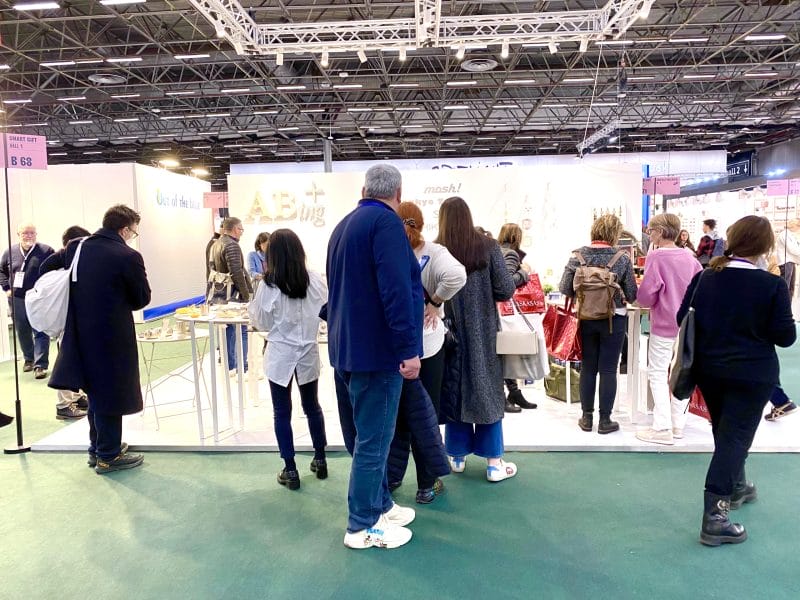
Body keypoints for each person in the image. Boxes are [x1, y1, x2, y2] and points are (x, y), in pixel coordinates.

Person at [677, 215, 796, 546]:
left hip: (709, 371)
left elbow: (682, 318)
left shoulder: (705, 277)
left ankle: (738, 486)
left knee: (726, 432)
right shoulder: (771, 284)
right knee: (734, 438)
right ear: (765, 246)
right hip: (752, 374)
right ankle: (715, 517)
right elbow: (786, 336)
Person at [327, 164, 422, 550]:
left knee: (369, 437)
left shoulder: (343, 226)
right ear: (398, 194)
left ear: (365, 189)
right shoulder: (386, 225)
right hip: (377, 353)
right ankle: (362, 525)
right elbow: (396, 291)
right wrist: (408, 349)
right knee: (374, 441)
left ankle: (380, 505)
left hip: (348, 349)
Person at [49, 205, 151, 473]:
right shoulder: (128, 256)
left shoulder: (77, 247)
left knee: (94, 390)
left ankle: (98, 448)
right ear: (124, 229)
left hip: (79, 332)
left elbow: (47, 267)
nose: (132, 237)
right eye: (133, 232)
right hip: (112, 334)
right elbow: (141, 299)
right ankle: (108, 455)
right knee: (110, 392)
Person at [387, 201, 466, 504]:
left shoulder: (386, 251)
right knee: (425, 415)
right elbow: (457, 275)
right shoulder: (433, 252)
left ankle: (392, 477)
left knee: (393, 415)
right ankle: (426, 485)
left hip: (394, 348)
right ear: (421, 224)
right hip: (427, 346)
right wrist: (435, 302)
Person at [437, 197, 517, 482]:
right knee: (487, 390)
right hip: (483, 333)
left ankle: (456, 456)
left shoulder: (437, 250)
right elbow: (505, 289)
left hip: (448, 334)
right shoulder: (488, 247)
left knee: (455, 387)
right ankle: (494, 463)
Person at [248, 229, 328, 491]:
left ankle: (290, 469)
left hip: (280, 354)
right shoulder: (314, 280)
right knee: (312, 407)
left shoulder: (268, 285)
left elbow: (261, 321)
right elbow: (326, 309)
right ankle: (320, 459)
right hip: (308, 352)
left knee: (282, 412)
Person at [559, 214, 637, 434]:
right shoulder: (621, 258)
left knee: (588, 368)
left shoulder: (577, 256)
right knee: (609, 369)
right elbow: (631, 294)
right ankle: (605, 420)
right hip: (614, 319)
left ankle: (586, 418)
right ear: (615, 233)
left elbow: (564, 288)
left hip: (585, 318)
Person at [634, 214, 701, 445]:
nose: (649, 234)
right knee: (682, 371)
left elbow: (646, 296)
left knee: (658, 372)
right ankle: (677, 424)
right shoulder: (690, 257)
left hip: (663, 323)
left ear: (661, 231)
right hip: (688, 325)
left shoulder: (656, 256)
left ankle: (662, 427)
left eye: (651, 230)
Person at [40, 225, 92, 420]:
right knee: (66, 358)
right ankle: (63, 405)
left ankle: (76, 397)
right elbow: (44, 271)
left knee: (76, 357)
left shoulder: (71, 259)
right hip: (65, 319)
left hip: (74, 316)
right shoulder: (62, 259)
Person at [0, 223, 55, 379]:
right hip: (17, 298)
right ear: (19, 235)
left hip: (38, 298)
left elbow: (55, 271)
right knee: (22, 329)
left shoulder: (46, 251)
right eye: (25, 233)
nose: (29, 236)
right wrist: (6, 288)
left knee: (40, 329)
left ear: (36, 234)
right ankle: (29, 359)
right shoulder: (9, 252)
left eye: (32, 233)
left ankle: (40, 365)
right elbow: (1, 271)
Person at [497, 222, 537, 412]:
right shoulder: (510, 254)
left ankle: (513, 392)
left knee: (504, 351)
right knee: (504, 351)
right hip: (505, 311)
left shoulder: (496, 251)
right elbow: (508, 283)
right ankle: (507, 395)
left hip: (498, 310)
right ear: (516, 237)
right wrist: (525, 272)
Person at [209, 217, 252, 373]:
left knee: (227, 330)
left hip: (219, 295)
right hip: (233, 296)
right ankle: (241, 366)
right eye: (241, 229)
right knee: (241, 330)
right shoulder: (232, 245)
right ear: (235, 229)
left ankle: (229, 364)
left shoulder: (215, 244)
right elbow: (236, 272)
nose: (242, 232)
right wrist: (246, 295)